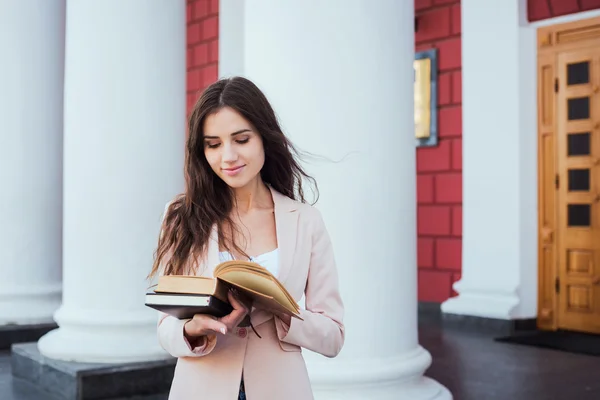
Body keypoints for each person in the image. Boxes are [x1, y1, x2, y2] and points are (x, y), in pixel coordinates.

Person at [147, 76, 345, 400]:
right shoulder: (181, 216)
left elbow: (333, 336)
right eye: (213, 144)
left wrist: (285, 313)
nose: (228, 157)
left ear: (264, 138)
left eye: (241, 139)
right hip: (200, 386)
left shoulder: (306, 221)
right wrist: (192, 329)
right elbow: (165, 328)